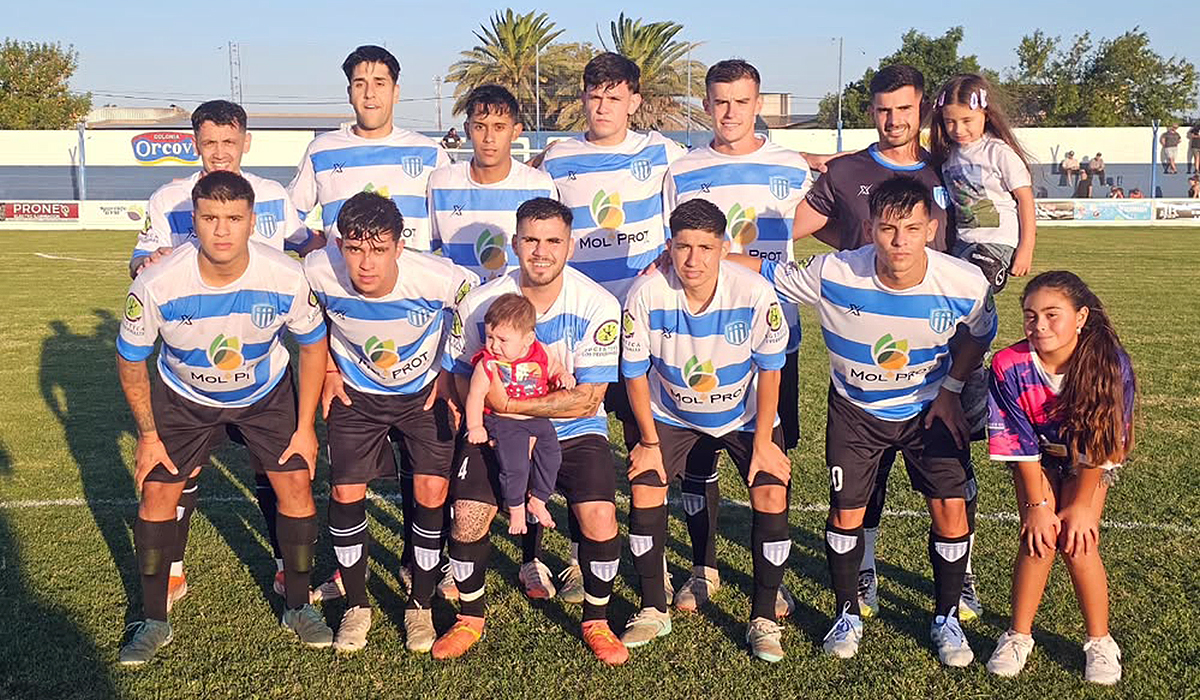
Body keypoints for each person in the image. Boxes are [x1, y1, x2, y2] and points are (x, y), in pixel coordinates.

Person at [734, 176, 996, 666]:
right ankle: (846, 614)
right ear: (870, 228)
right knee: (846, 513)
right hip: (856, 410)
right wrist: (705, 258)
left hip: (928, 407)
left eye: (912, 229)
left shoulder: (964, 283)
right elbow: (767, 271)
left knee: (951, 509)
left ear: (931, 229)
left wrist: (952, 390)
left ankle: (947, 618)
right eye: (888, 229)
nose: (900, 242)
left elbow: (980, 335)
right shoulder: (834, 271)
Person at [789, 64, 981, 622]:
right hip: (864, 327)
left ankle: (962, 578)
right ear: (871, 112)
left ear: (922, 109)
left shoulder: (950, 166)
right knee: (862, 483)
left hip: (940, 339)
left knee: (953, 478)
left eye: (904, 109)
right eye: (883, 110)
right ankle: (864, 570)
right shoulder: (847, 171)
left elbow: (986, 222)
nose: (893, 120)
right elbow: (793, 227)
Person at [116, 171, 330, 665]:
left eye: (234, 218)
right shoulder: (157, 282)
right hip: (184, 397)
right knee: (157, 492)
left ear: (252, 222)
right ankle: (153, 619)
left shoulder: (285, 275)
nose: (222, 230)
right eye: (210, 218)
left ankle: (299, 606)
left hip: (265, 393)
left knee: (296, 486)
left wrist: (305, 428)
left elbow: (313, 344)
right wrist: (148, 436)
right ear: (194, 221)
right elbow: (130, 359)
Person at [288, 44, 454, 599]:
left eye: (380, 82)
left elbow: (445, 225)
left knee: (422, 469)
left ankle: (418, 563)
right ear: (349, 91)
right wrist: (321, 248)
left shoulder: (428, 152)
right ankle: (347, 572)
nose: (369, 92)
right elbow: (289, 216)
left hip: (414, 314)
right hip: (356, 325)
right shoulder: (323, 149)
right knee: (351, 477)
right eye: (360, 82)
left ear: (396, 91)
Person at [436, 197, 628, 665]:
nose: (541, 251)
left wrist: (513, 405)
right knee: (467, 516)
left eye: (553, 241)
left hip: (575, 429)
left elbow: (587, 399)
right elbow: (459, 374)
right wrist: (492, 417)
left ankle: (597, 619)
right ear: (515, 243)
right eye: (531, 240)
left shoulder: (598, 304)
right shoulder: (481, 302)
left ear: (571, 246)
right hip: (496, 428)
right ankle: (470, 617)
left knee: (600, 517)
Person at [531, 52, 687, 603]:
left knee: (649, 442)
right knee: (577, 438)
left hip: (644, 323)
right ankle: (580, 559)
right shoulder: (558, 158)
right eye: (594, 96)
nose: (602, 107)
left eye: (614, 97)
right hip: (578, 329)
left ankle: (655, 563)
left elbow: (693, 210)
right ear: (583, 98)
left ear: (634, 102)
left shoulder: (663, 153)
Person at [659, 58, 809, 616]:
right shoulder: (682, 170)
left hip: (772, 337)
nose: (730, 112)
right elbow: (672, 248)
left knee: (769, 458)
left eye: (741, 101)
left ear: (758, 104)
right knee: (699, 462)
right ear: (706, 105)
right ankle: (703, 569)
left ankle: (772, 580)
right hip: (700, 339)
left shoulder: (792, 166)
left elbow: (833, 217)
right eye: (720, 101)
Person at [304, 191, 478, 653]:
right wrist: (328, 368)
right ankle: (357, 606)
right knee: (345, 492)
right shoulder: (317, 271)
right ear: (339, 245)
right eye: (355, 249)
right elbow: (308, 320)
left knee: (432, 492)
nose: (366, 263)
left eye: (379, 249)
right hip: (356, 393)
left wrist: (449, 370)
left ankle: (420, 605)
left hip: (424, 393)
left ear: (400, 246)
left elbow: (473, 303)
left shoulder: (439, 277)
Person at [621, 198, 792, 662]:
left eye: (705, 248)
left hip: (744, 415)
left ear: (723, 248)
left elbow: (770, 370)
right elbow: (634, 373)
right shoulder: (646, 293)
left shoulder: (754, 291)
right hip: (671, 414)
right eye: (683, 247)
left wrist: (763, 442)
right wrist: (649, 442)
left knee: (770, 489)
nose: (693, 260)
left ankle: (763, 617)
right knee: (645, 483)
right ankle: (653, 608)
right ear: (669, 247)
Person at [984, 271, 1134, 686]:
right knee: (1038, 539)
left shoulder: (1109, 363)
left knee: (1078, 542)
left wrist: (1082, 505)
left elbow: (1103, 444)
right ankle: (1018, 636)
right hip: (1037, 458)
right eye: (1030, 316)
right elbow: (1017, 441)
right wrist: (1036, 506)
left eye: (1052, 314)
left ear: (1081, 317)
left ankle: (1100, 642)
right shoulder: (1009, 364)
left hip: (1090, 460)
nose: (1040, 325)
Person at [428, 85, 556, 283]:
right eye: (480, 127)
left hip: (518, 302)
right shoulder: (442, 182)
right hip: (459, 303)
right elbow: (428, 252)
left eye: (499, 127)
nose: (489, 138)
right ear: (467, 129)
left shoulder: (539, 185)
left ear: (516, 131)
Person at [465, 293, 569, 534]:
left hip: (537, 418)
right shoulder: (488, 363)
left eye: (503, 339)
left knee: (552, 457)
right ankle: (516, 509)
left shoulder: (540, 352)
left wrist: (562, 375)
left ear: (528, 339)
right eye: (490, 337)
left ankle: (539, 499)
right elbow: (475, 395)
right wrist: (475, 426)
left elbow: (554, 368)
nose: (494, 345)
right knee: (516, 467)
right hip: (505, 422)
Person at [930, 73, 1037, 287]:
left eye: (967, 121)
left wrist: (1026, 249)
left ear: (986, 114)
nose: (958, 129)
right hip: (963, 242)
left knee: (968, 287)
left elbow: (1025, 200)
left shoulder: (998, 152)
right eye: (950, 122)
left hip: (997, 242)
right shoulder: (948, 157)